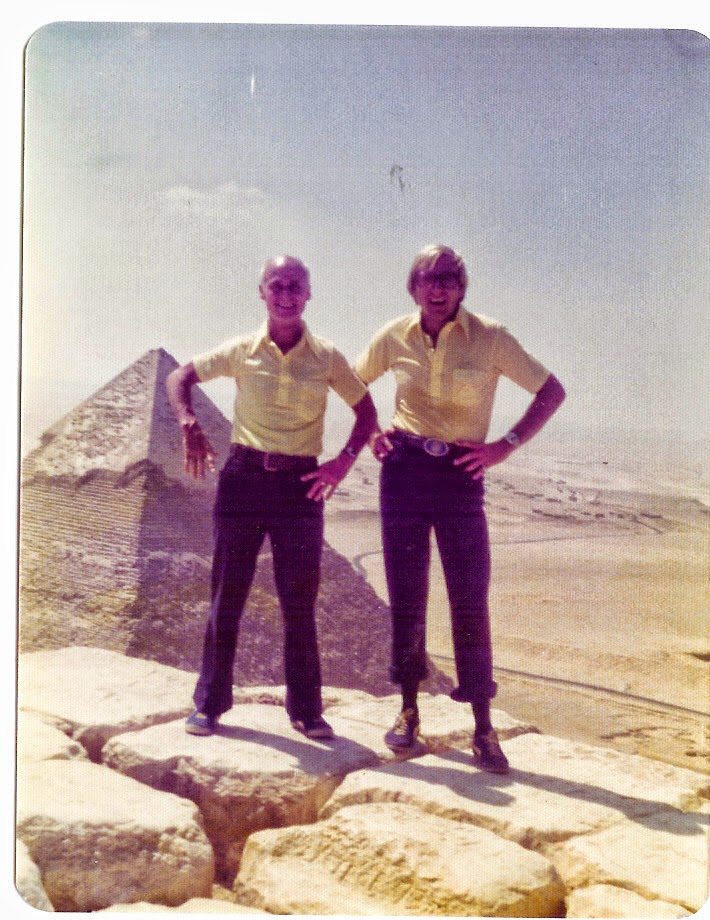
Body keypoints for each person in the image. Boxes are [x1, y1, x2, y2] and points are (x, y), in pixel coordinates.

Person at [355, 244, 565, 772]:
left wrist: (504, 445)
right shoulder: (394, 336)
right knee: (407, 593)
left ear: (462, 286)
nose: (438, 287)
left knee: (469, 597)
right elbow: (352, 384)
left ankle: (483, 727)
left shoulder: (491, 337)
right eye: (428, 278)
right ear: (413, 287)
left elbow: (551, 391)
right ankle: (408, 711)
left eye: (448, 278)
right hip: (404, 471)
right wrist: (373, 432)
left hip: (460, 476)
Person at [167, 255, 376, 740]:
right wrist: (187, 421)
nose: (285, 295)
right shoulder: (242, 349)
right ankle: (209, 704)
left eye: (294, 287)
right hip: (243, 478)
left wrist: (343, 461)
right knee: (227, 594)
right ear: (261, 291)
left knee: (299, 601)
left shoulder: (327, 357)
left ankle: (306, 711)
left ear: (309, 295)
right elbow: (179, 377)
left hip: (300, 485)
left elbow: (366, 412)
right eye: (277, 286)